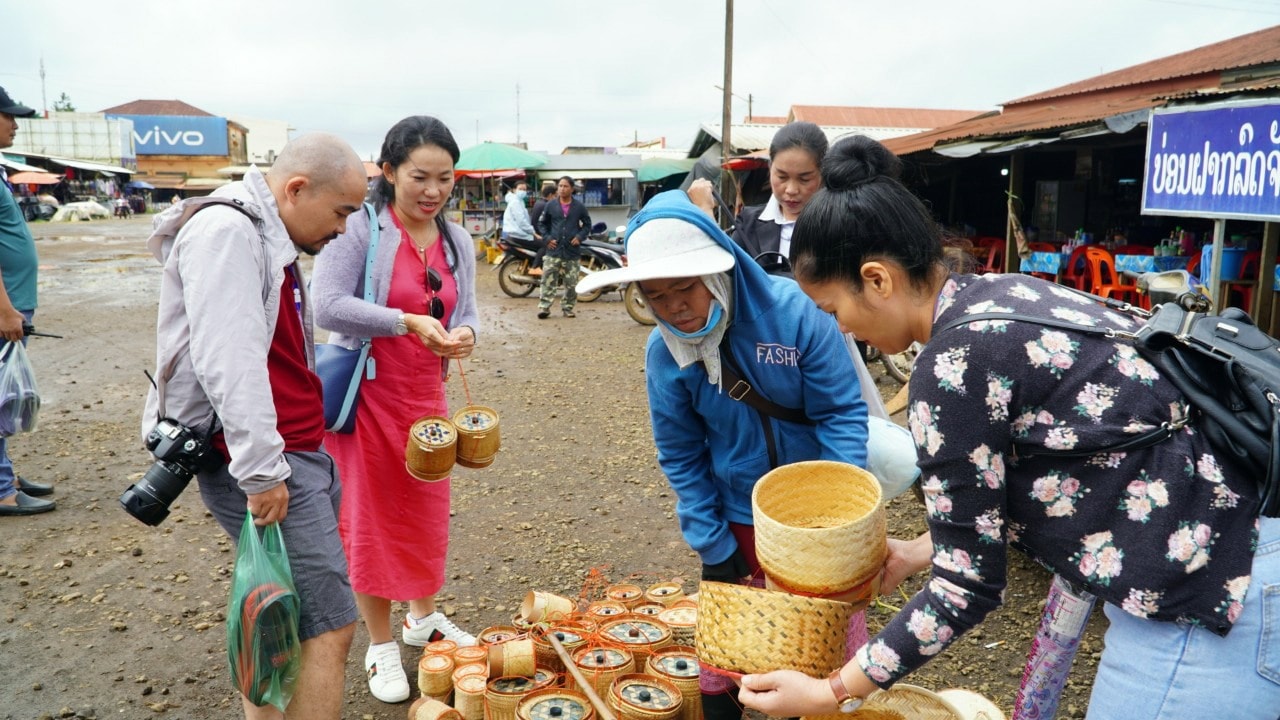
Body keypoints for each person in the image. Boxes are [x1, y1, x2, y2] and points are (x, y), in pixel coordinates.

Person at [737, 135, 1279, 719]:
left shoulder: (950, 369)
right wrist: (923, 550)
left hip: (1212, 593)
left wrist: (828, 691)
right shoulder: (998, 292)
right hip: (1251, 539)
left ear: (877, 279)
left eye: (833, 310)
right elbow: (1060, 459)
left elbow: (965, 588)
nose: (841, 330)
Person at [576, 189, 873, 720]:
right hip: (737, 520)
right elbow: (681, 452)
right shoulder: (664, 354)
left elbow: (840, 414)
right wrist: (712, 542)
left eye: (684, 288)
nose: (673, 308)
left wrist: (836, 521)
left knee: (822, 652)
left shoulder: (796, 315)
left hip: (816, 526)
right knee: (727, 655)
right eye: (654, 296)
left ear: (717, 273)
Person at [143, 132, 368, 719]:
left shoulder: (265, 233)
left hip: (291, 453)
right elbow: (229, 359)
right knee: (328, 630)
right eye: (341, 211)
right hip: (272, 462)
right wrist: (263, 469)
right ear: (295, 189)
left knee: (274, 614)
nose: (344, 228)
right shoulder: (228, 232)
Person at [311, 115, 480, 705]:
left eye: (444, 178)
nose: (433, 191)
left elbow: (470, 315)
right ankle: (380, 644)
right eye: (419, 177)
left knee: (425, 512)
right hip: (370, 398)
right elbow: (326, 305)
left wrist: (463, 337)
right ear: (388, 172)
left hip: (427, 399)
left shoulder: (456, 240)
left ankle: (422, 617)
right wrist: (403, 322)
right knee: (371, 518)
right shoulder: (363, 229)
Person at [688, 121, 888, 419]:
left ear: (824, 173)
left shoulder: (844, 222)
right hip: (767, 358)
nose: (791, 190)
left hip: (832, 350)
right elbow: (723, 277)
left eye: (805, 178)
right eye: (781, 176)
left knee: (838, 423)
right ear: (770, 168)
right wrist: (704, 214)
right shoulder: (750, 223)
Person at [0, 86, 55, 516]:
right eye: (9, 116)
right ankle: (1, 488)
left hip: (14, 302)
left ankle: (6, 474)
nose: (16, 124)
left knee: (6, 393)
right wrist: (4, 308)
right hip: (6, 305)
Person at [534, 175, 591, 319]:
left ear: (572, 189)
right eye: (560, 186)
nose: (562, 189)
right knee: (548, 279)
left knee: (571, 283)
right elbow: (541, 223)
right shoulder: (551, 205)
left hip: (571, 251)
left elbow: (587, 224)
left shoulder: (579, 207)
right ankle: (544, 308)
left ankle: (568, 308)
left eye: (565, 186)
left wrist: (579, 237)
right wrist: (547, 239)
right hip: (554, 250)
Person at [527, 183, 556, 276]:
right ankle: (535, 267)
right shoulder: (546, 205)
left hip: (536, 231)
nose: (557, 198)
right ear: (551, 195)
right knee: (548, 245)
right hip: (538, 233)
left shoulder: (539, 202)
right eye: (556, 196)